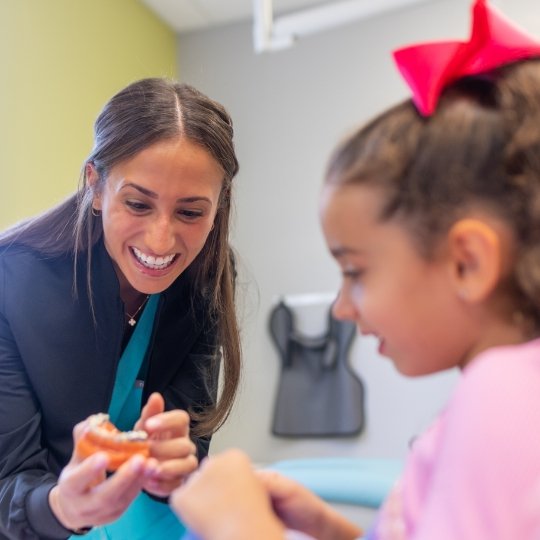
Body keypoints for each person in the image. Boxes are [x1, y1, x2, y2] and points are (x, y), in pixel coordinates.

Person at [169, 1, 540, 538]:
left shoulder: (502, 396)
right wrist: (329, 527)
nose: (342, 307)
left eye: (356, 271)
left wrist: (242, 528)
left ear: (468, 262)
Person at [0, 77, 241, 539]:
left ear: (218, 206)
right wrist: (59, 507)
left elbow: (191, 441)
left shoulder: (207, 270)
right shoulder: (14, 280)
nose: (160, 240)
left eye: (190, 212)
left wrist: (178, 470)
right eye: (137, 203)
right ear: (96, 185)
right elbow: (9, 481)